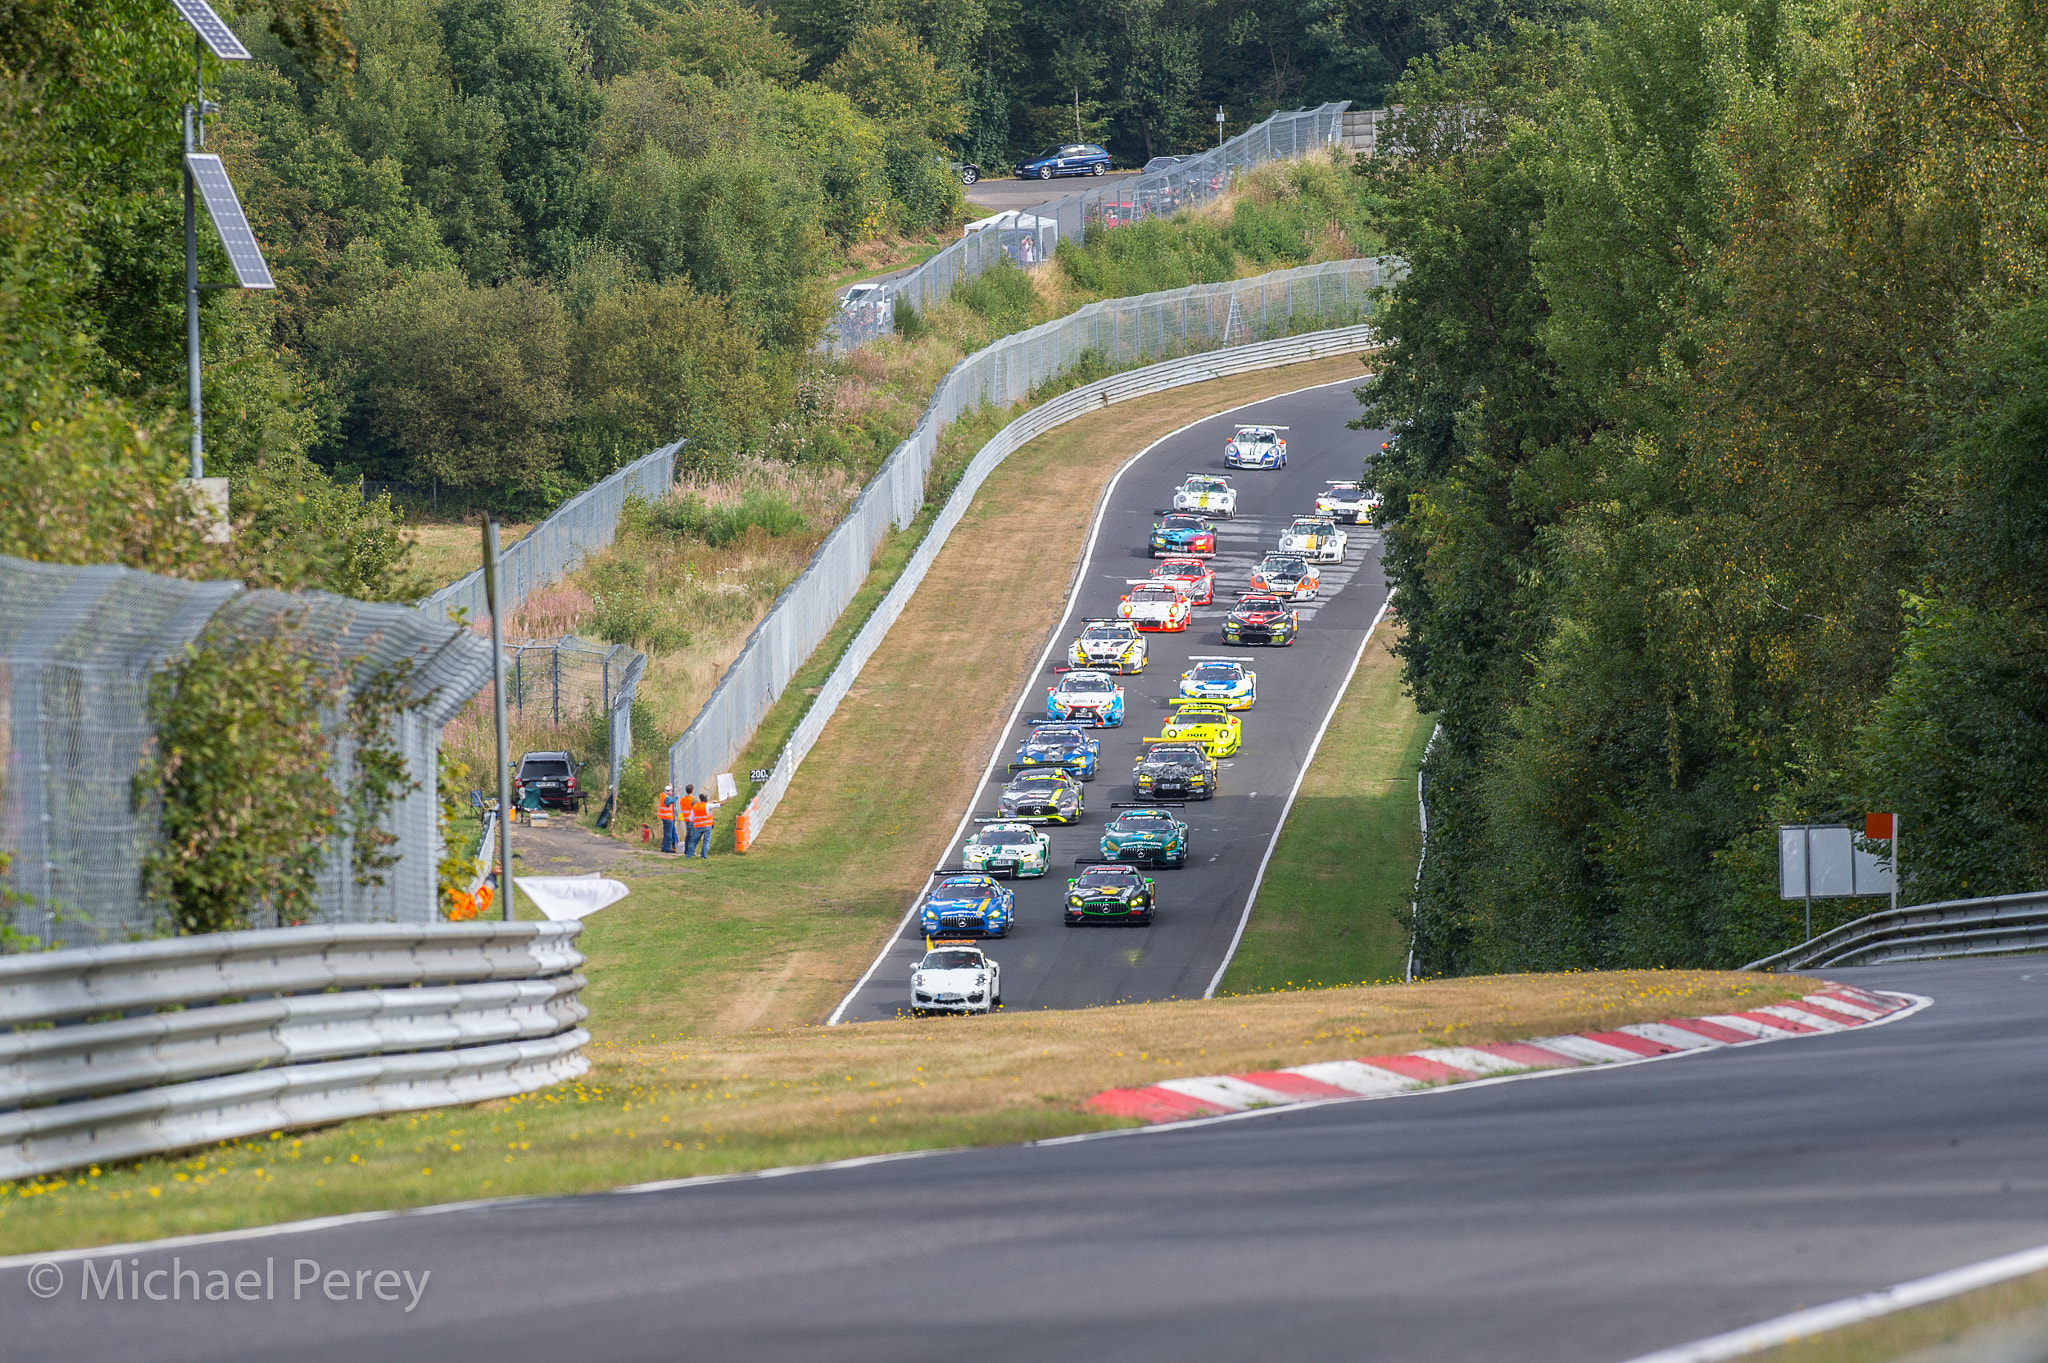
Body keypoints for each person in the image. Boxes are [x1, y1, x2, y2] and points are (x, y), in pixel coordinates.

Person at [684, 792, 717, 858]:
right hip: (707, 825)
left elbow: (691, 818)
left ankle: (688, 855)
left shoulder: (694, 806)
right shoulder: (707, 806)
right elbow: (707, 806)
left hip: (696, 825)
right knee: (706, 841)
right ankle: (703, 856)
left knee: (693, 840)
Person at [656, 785, 679, 853]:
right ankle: (667, 848)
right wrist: (677, 795)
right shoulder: (667, 798)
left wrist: (670, 786)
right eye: (671, 790)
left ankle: (664, 847)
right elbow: (673, 800)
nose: (671, 792)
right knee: (669, 834)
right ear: (668, 791)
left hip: (664, 817)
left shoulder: (662, 795)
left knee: (666, 833)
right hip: (668, 818)